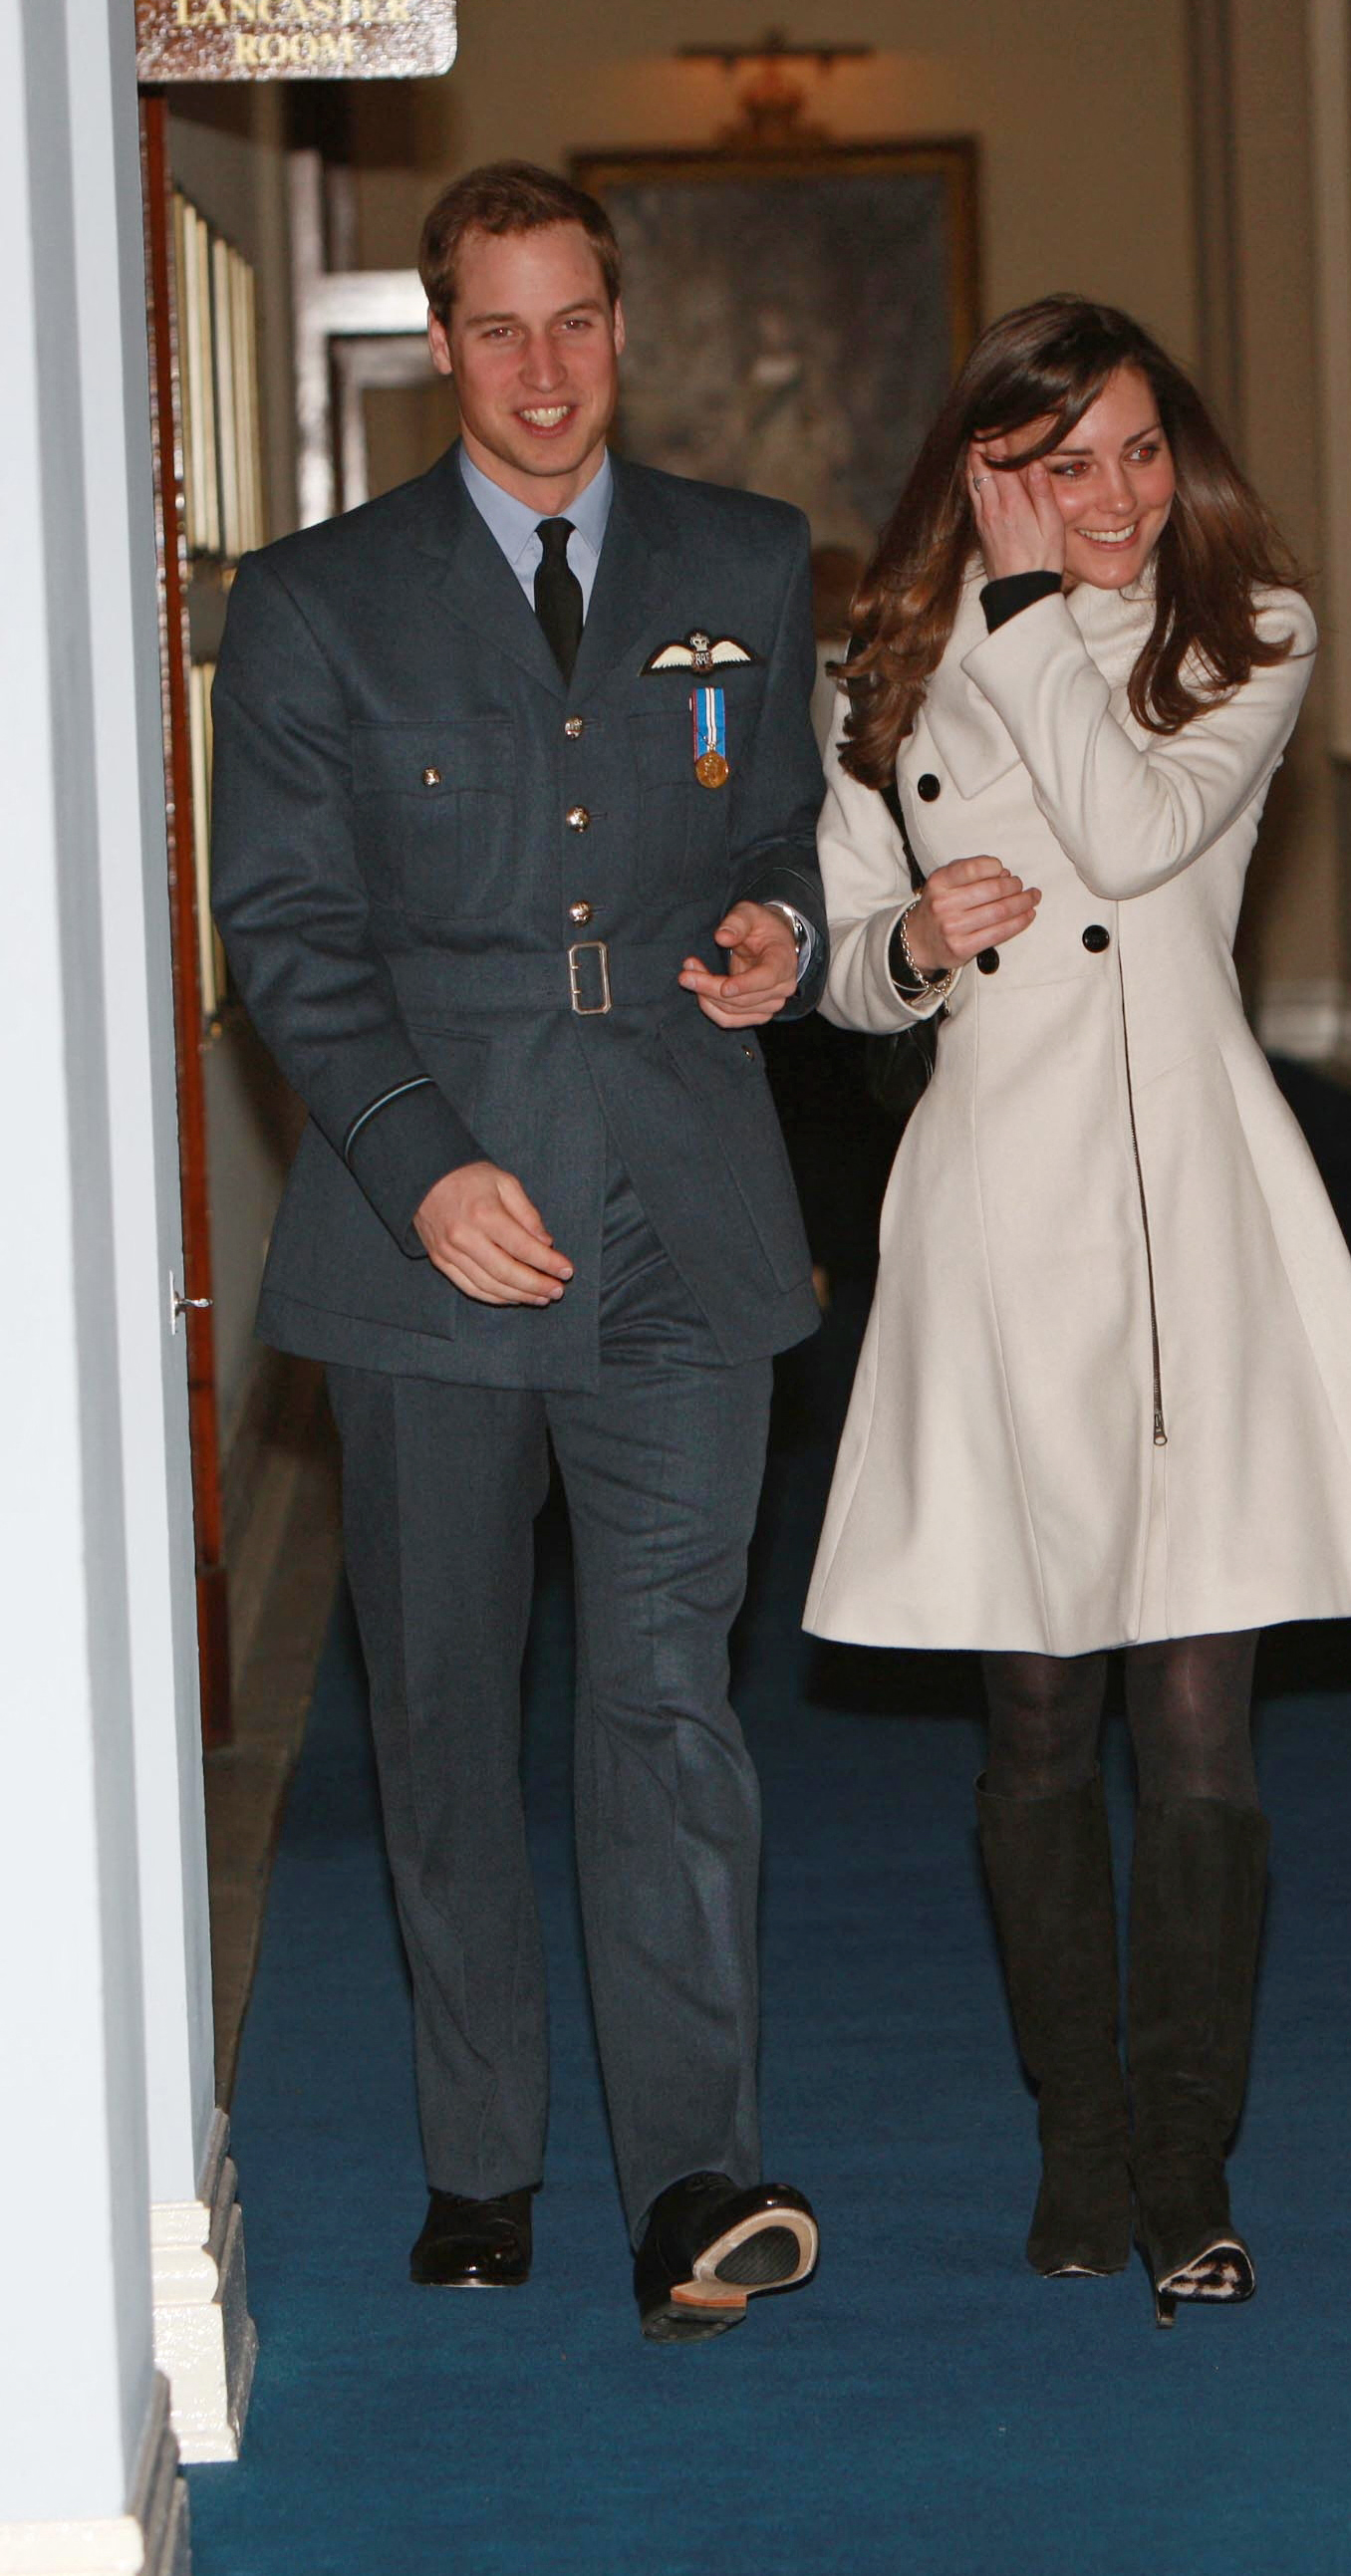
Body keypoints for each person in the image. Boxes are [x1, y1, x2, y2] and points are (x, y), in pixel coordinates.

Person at [210, 162, 827, 2345]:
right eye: (499, 330)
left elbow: (773, 827)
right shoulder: (310, 603)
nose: (544, 372)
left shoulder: (744, 564)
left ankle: (692, 2181)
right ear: (437, 342)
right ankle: (484, 2154)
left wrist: (781, 932)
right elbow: (282, 937)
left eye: (576, 324)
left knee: (666, 1701)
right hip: (430, 1239)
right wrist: (410, 1161)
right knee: (450, 1715)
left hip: (680, 1207)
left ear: (616, 329)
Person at [803, 298, 1351, 2326]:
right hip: (997, 1206)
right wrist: (897, 940)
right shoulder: (885, 662)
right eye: (1061, 460)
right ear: (984, 464)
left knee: (1193, 1730)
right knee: (1026, 1715)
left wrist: (1014, 613)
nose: (1111, 497)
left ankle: (1186, 2171)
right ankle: (1072, 2146)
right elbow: (836, 958)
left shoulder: (1242, 637)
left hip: (1185, 1210)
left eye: (1139, 452)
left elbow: (1131, 831)